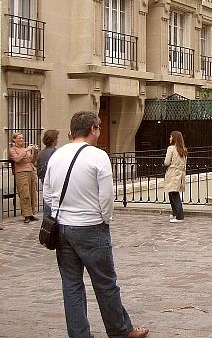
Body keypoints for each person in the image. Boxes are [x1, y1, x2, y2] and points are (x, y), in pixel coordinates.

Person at [43, 111, 149, 338]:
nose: (99, 132)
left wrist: (59, 215)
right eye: (99, 128)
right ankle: (120, 330)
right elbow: (106, 197)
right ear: (93, 129)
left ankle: (79, 334)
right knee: (105, 283)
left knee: (71, 285)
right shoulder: (98, 156)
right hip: (91, 226)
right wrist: (104, 218)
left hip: (62, 226)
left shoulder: (57, 156)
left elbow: (48, 194)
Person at [9, 132, 39, 223]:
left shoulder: (25, 149)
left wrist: (35, 151)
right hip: (21, 172)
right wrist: (26, 150)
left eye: (22, 138)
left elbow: (32, 160)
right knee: (24, 193)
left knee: (32, 193)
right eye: (19, 138)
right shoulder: (12, 149)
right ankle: (26, 215)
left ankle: (31, 213)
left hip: (31, 171)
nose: (21, 139)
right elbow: (17, 159)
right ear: (14, 139)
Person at [164, 130, 187, 223]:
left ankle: (179, 216)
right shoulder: (183, 149)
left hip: (173, 172)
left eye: (171, 136)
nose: (169, 138)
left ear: (174, 138)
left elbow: (166, 162)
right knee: (173, 192)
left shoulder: (171, 149)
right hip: (180, 173)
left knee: (174, 194)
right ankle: (175, 213)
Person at [36, 129, 60, 217]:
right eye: (57, 138)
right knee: (52, 201)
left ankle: (47, 219)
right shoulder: (55, 152)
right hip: (52, 179)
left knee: (47, 199)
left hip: (44, 178)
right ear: (54, 139)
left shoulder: (42, 152)